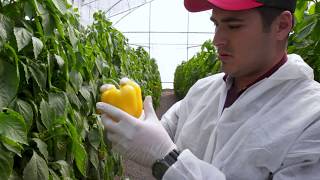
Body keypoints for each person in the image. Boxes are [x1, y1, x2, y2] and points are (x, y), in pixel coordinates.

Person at [96, 0, 320, 179]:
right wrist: (130, 113)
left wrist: (167, 160)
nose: (217, 39)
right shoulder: (204, 90)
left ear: (281, 25)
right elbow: (159, 130)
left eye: (233, 26)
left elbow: (160, 148)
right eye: (216, 24)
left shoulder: (311, 117)